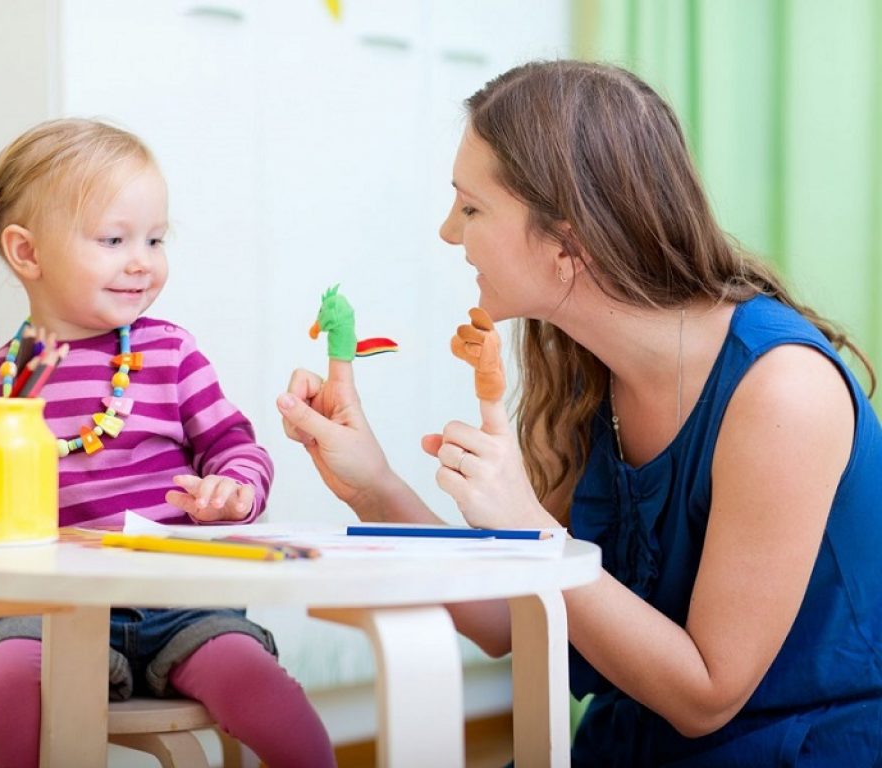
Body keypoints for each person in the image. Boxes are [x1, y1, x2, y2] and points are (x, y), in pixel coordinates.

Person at [276, 61, 882, 766]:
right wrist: (372, 483)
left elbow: (706, 694)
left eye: (471, 209)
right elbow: (513, 620)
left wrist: (529, 524)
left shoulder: (782, 392)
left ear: (567, 242)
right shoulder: (582, 369)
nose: (448, 232)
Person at [0, 118, 335, 768]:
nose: (142, 260)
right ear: (27, 254)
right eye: (114, 239)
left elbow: (235, 445)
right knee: (3, 683)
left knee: (261, 689)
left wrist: (236, 490)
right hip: (48, 610)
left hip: (184, 604)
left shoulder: (170, 353)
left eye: (155, 238)